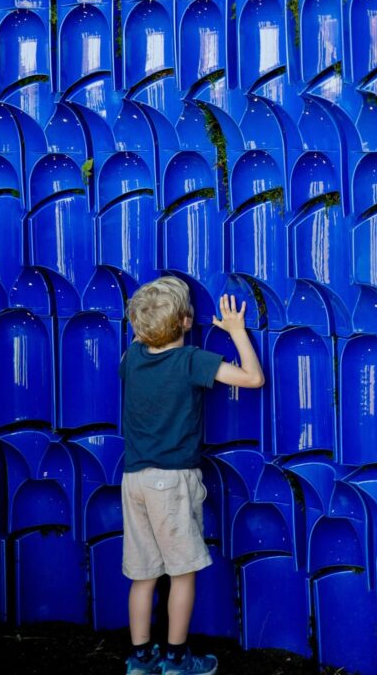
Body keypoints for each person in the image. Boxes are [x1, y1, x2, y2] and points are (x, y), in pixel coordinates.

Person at [119, 277, 265, 675]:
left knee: (143, 576)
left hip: (133, 481)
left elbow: (146, 332)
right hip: (172, 483)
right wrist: (236, 331)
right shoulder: (191, 361)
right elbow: (253, 379)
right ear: (187, 322)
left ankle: (140, 659)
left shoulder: (131, 357)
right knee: (181, 575)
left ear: (138, 328)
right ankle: (177, 659)